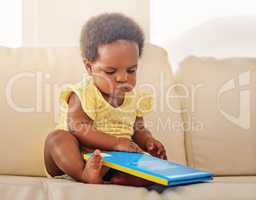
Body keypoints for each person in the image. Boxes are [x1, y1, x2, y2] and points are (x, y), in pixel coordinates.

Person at [44, 13, 167, 187]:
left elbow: (138, 129)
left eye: (131, 70)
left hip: (114, 161)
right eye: (111, 72)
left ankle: (123, 178)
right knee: (57, 138)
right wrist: (116, 143)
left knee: (146, 165)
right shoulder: (84, 92)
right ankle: (83, 174)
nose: (122, 78)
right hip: (75, 156)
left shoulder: (135, 97)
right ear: (89, 67)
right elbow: (78, 127)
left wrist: (148, 141)